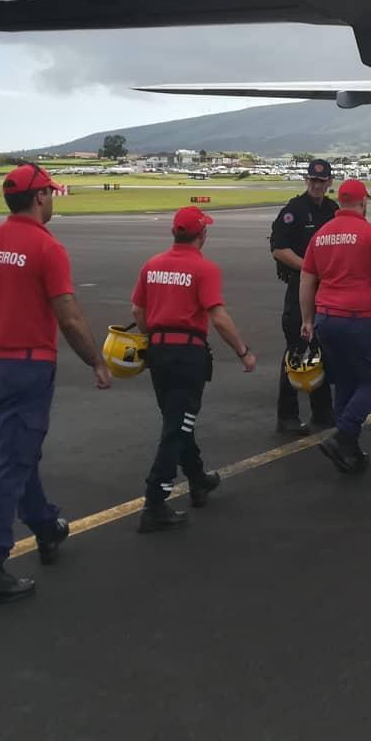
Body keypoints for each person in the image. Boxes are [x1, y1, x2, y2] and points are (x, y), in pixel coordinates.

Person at [0, 163, 112, 608]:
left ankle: (45, 525)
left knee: (18, 453)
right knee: (12, 462)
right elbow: (69, 316)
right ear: (40, 197)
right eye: (51, 193)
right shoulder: (47, 248)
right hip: (28, 367)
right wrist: (96, 361)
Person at [130, 206, 259, 531]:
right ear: (202, 235)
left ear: (174, 232)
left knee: (177, 420)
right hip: (187, 355)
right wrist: (243, 352)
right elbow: (218, 317)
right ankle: (155, 502)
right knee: (176, 427)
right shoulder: (204, 269)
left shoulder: (152, 265)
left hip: (158, 353)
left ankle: (198, 479)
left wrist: (152, 334)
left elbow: (137, 309)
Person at [300, 179, 371, 473]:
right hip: (357, 318)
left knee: (346, 382)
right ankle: (343, 435)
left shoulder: (320, 235)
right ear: (362, 202)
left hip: (326, 318)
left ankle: (350, 450)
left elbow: (307, 280)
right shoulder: (369, 234)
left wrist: (308, 319)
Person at [270, 158, 339, 435]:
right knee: (298, 350)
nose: (316, 185)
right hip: (301, 286)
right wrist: (309, 268)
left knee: (322, 350)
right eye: (312, 180)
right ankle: (286, 415)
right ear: (306, 180)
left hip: (327, 288)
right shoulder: (294, 210)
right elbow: (278, 248)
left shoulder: (334, 210)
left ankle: (322, 412)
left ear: (330, 182)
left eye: (321, 181)